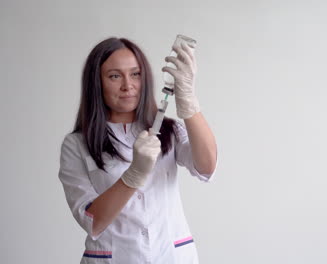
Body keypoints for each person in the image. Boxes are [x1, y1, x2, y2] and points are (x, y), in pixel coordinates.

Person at [58, 37, 217, 264]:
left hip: (171, 255)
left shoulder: (169, 130)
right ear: (97, 82)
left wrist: (188, 100)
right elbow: (92, 221)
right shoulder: (76, 145)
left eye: (136, 74)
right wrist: (133, 176)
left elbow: (207, 167)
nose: (128, 85)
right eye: (114, 76)